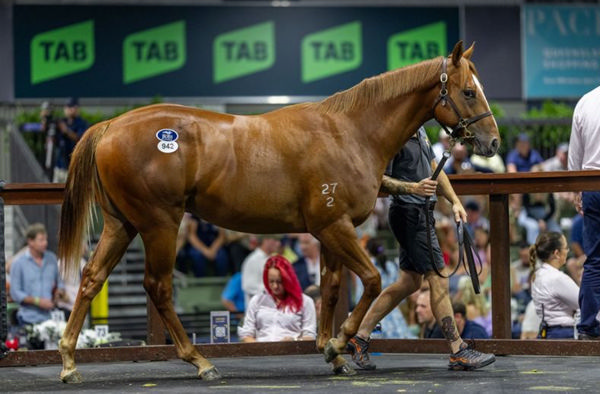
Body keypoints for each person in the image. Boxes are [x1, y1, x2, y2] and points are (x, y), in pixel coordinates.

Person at [346, 126, 495, 371]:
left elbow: (435, 169)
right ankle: (458, 350)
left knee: (409, 283)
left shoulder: (420, 129)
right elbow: (377, 178)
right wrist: (412, 188)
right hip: (409, 214)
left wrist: (455, 201)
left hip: (421, 214)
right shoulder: (396, 134)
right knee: (439, 280)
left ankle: (359, 335)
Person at [568, 84, 600, 340]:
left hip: (592, 186)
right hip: (591, 184)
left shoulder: (586, 100)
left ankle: (588, 325)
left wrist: (576, 188)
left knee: (595, 259)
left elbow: (574, 153)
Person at [237, 255, 317, 342]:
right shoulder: (257, 300)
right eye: (271, 281)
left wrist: (294, 341)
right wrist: (258, 349)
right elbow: (247, 333)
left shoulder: (305, 302)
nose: (275, 286)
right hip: (262, 350)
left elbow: (310, 336)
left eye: (279, 282)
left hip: (292, 351)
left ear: (288, 280)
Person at [9, 223, 65, 327]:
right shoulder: (18, 263)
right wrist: (38, 301)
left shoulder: (52, 259)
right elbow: (15, 292)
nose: (45, 243)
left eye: (46, 239)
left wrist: (59, 293)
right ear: (30, 241)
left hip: (50, 319)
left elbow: (60, 283)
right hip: (27, 320)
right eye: (41, 240)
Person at [529, 232, 579, 339]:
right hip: (563, 334)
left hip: (545, 333)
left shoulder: (537, 275)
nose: (568, 251)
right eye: (566, 247)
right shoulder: (557, 278)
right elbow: (584, 303)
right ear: (557, 253)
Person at [44, 97, 89, 183]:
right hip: (60, 166)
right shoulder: (61, 121)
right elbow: (51, 138)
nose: (70, 110)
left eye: (73, 107)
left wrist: (66, 130)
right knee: (56, 193)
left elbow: (80, 139)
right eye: (68, 107)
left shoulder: (82, 123)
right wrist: (46, 121)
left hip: (75, 167)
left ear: (77, 109)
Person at [240, 234, 282, 306]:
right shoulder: (253, 260)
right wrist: (273, 288)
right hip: (257, 310)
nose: (278, 243)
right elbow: (249, 286)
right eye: (275, 240)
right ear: (266, 240)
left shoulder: (273, 259)